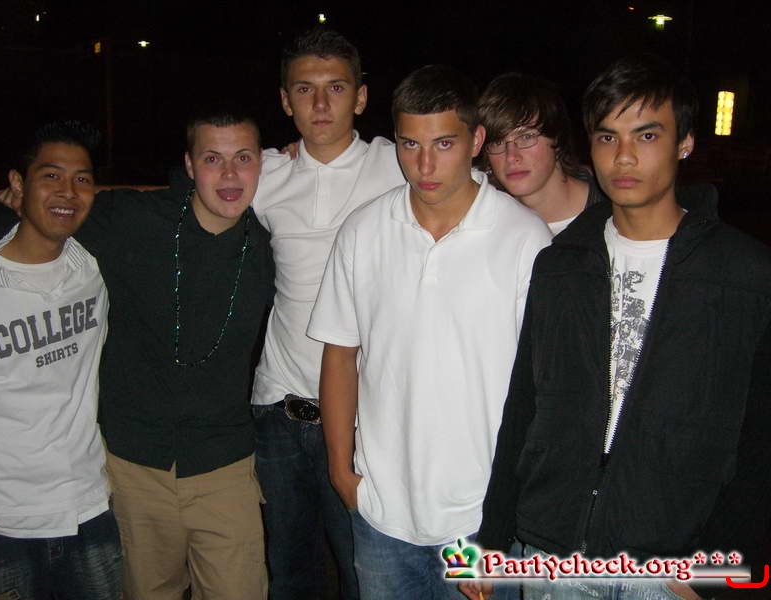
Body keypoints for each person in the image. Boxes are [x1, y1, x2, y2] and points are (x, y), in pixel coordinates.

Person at [466, 55, 771, 600]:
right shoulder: (561, 264)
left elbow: (759, 438)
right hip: (552, 553)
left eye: (646, 135)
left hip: (668, 566)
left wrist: (722, 571)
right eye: (607, 137)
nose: (624, 156)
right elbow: (525, 408)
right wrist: (491, 540)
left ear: (685, 143)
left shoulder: (742, 272)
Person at [0, 107, 274, 600]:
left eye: (242, 158)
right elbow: (46, 206)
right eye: (212, 159)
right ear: (189, 165)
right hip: (133, 470)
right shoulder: (130, 221)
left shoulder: (272, 236)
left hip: (225, 468)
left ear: (263, 163)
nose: (229, 174)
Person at [307, 64, 551, 600]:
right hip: (381, 512)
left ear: (476, 140)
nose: (424, 164)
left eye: (443, 143)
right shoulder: (363, 230)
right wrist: (341, 472)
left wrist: (507, 517)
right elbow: (340, 353)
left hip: (481, 518)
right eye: (409, 144)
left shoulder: (525, 239)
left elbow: (543, 390)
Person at [250, 28, 403, 600]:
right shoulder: (265, 174)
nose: (319, 104)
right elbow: (193, 186)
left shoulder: (399, 164)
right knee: (290, 575)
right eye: (304, 89)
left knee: (364, 574)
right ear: (285, 101)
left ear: (360, 97)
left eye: (335, 88)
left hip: (365, 418)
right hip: (277, 409)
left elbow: (488, 189)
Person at [0, 120, 122, 599]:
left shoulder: (92, 267)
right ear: (17, 184)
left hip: (89, 510)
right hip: (1, 525)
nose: (68, 192)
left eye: (82, 179)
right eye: (51, 175)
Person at [478, 73, 603, 235]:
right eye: (497, 142)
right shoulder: (485, 221)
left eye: (526, 137)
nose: (511, 156)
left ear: (557, 138)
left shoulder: (613, 210)